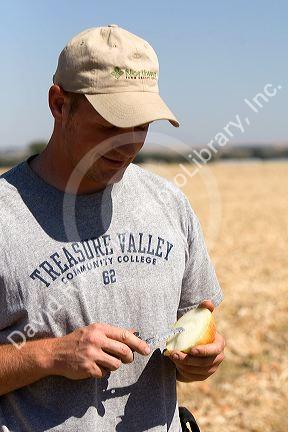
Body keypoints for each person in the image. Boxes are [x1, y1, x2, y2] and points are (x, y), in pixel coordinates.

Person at [0, 24, 225, 432]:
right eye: (109, 126)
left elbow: (197, 322)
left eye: (142, 125)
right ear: (59, 104)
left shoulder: (168, 202)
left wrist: (201, 359)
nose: (127, 144)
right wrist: (49, 356)